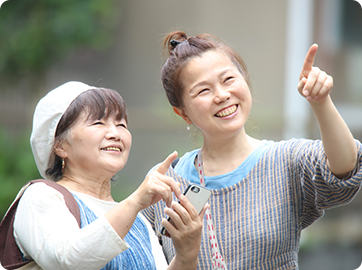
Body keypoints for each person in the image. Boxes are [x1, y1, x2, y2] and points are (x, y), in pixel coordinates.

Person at [141, 31, 362, 269]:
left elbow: (345, 167)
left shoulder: (285, 160)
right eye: (203, 90)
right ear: (182, 112)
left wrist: (321, 102)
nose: (222, 95)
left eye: (228, 79)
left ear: (245, 80)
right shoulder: (164, 184)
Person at [12, 81, 207, 270]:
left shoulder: (139, 222)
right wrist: (136, 201)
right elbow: (68, 262)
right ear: (60, 145)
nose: (115, 133)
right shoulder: (40, 196)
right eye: (98, 123)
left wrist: (186, 254)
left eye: (121, 124)